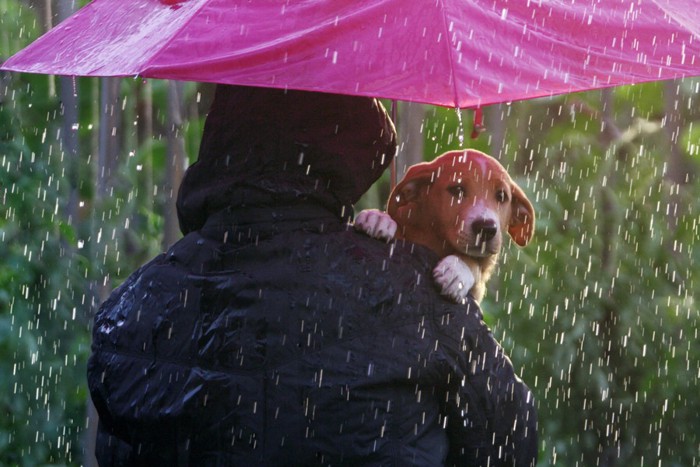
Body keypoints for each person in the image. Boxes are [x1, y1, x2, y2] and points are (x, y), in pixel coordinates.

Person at [87, 85, 538, 466]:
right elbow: (509, 444)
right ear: (345, 150)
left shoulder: (128, 316)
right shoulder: (419, 290)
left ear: (220, 140)